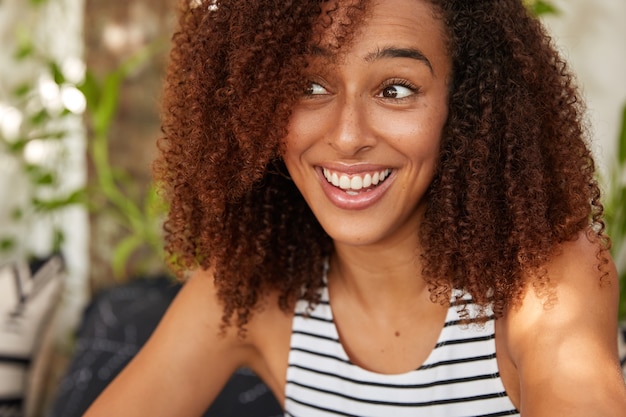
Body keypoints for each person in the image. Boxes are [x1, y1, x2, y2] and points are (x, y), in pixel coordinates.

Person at [84, 0, 626, 415]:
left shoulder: (543, 278)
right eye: (310, 85)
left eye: (395, 89)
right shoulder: (251, 291)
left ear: (464, 105)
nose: (347, 137)